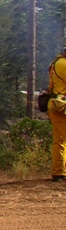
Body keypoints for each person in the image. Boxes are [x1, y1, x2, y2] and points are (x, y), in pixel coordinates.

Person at [48, 44, 66, 182]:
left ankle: (59, 172)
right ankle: (59, 172)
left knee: (60, 140)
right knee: (60, 140)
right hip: (61, 106)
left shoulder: (57, 63)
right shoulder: (63, 64)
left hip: (56, 104)